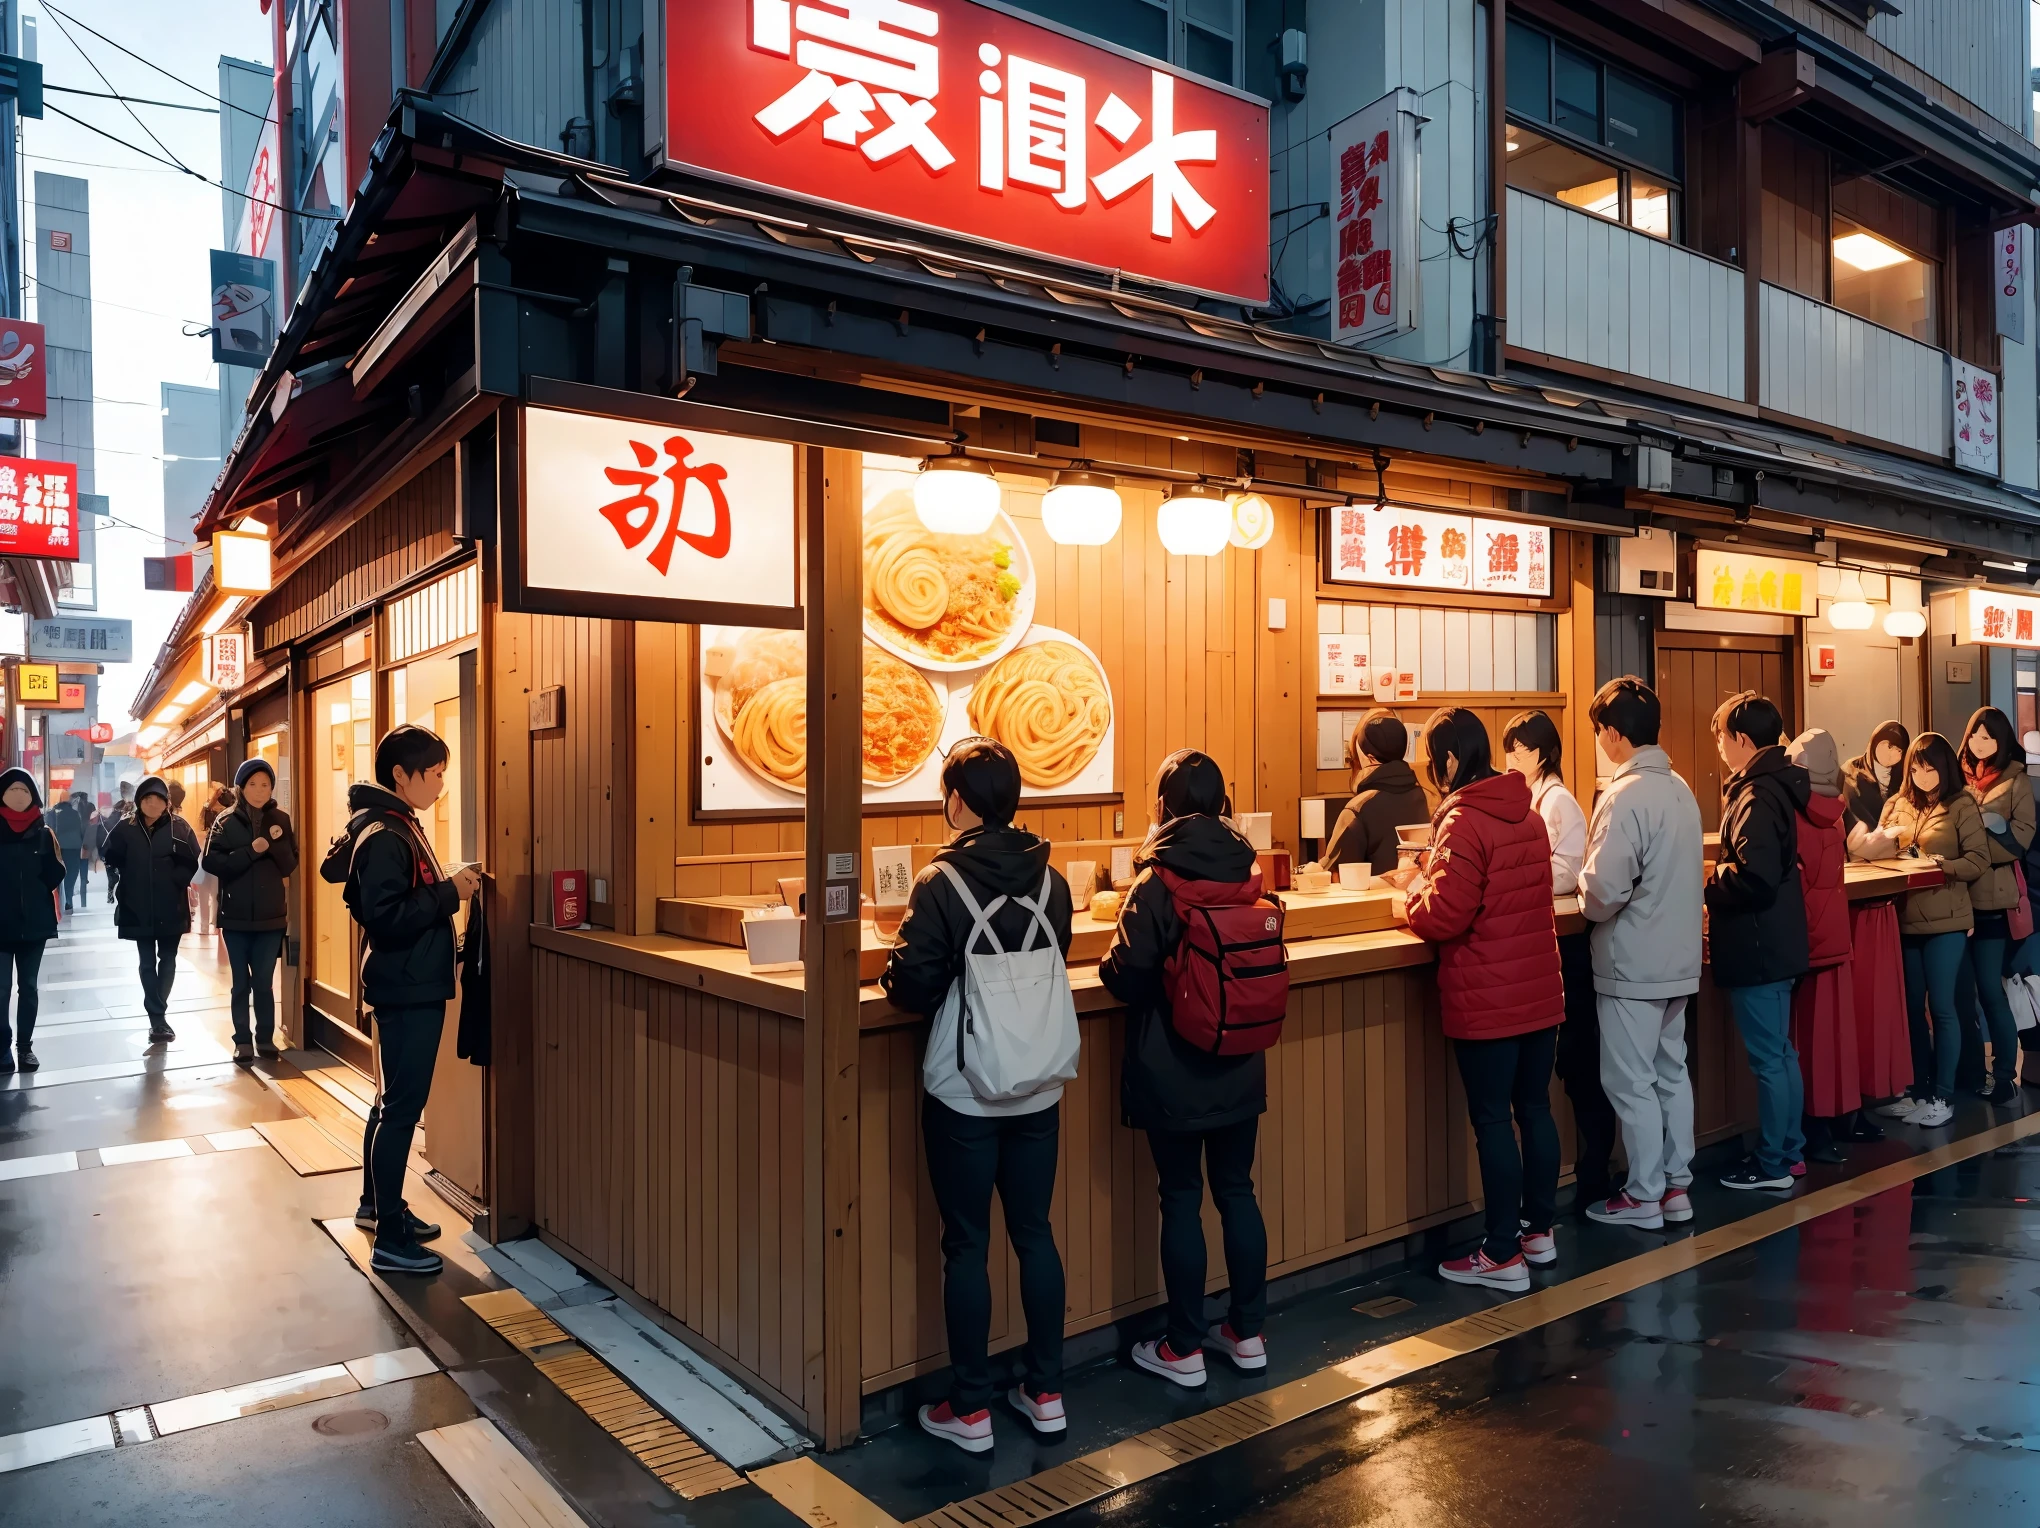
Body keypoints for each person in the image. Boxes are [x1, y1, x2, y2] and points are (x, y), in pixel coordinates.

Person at [881, 738, 1075, 1451]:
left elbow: (912, 985)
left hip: (964, 1088)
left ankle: (970, 1411)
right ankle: (1047, 1392)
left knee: (965, 1244)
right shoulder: (1052, 878)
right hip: (1039, 1083)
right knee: (1035, 1232)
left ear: (957, 800)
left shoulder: (940, 881)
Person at [1098, 750, 1273, 1384]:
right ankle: (1248, 1333)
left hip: (1173, 1063)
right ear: (1224, 803)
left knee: (1181, 1197)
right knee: (1236, 1190)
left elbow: (1124, 976)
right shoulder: (1249, 868)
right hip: (1240, 1056)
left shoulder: (1157, 880)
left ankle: (1185, 1347)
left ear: (1164, 806)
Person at [1397, 708, 1563, 1293]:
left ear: (1447, 760)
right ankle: (1537, 1234)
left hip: (1488, 996)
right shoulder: (1529, 815)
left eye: (1430, 764)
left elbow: (1445, 913)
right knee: (1534, 1110)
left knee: (1493, 1119)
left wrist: (1411, 898)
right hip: (1540, 991)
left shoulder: (1464, 821)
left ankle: (1500, 1254)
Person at [320, 724, 481, 1278]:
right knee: (401, 1110)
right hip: (406, 984)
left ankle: (378, 1206)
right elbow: (388, 918)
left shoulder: (393, 823)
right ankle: (390, 1237)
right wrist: (449, 894)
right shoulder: (388, 834)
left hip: (403, 981)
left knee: (391, 1104)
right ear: (401, 776)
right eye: (434, 773)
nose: (440, 782)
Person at [1576, 678, 1704, 1230]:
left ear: (1611, 732)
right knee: (1671, 1073)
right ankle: (1677, 1189)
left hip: (1633, 963)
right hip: (1678, 960)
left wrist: (1581, 890)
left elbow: (1603, 892)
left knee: (1630, 1082)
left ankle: (1644, 1195)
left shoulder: (1624, 795)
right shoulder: (1680, 788)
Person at [1502, 709, 1615, 1209]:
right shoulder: (1530, 798)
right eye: (1507, 749)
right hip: (1550, 942)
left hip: (1568, 945)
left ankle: (1595, 1169)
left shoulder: (1559, 802)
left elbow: (1567, 873)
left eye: (1519, 750)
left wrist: (1513, 873)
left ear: (1543, 753)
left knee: (1579, 1066)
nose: (1511, 759)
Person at [1706, 692, 1811, 1192]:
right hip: (1777, 941)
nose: (1720, 747)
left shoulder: (1755, 794)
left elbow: (1757, 877)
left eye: (1722, 738)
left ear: (1741, 740)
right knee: (1782, 1054)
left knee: (1771, 1058)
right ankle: (1789, 1154)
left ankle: (1773, 1162)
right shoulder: (1776, 785)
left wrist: (1711, 877)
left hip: (1759, 944)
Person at [1876, 731, 1988, 1129]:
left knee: (1942, 1008)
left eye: (1931, 767)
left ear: (1944, 768)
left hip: (1947, 921)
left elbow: (1978, 861)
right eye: (1917, 767)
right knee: (1908, 1009)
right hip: (1904, 919)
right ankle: (1917, 1090)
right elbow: (1876, 847)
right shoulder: (1896, 804)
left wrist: (1942, 865)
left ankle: (1943, 1095)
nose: (1924, 775)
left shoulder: (1961, 805)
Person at [1784, 729, 1860, 1164]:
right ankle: (1832, 1123)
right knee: (1830, 1039)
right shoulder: (1836, 812)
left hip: (1803, 940)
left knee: (1798, 1043)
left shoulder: (1794, 815)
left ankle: (1805, 1132)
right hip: (1835, 936)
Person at [1954, 707, 2033, 1105]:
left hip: (1993, 903)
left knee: (1990, 989)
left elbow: (2021, 840)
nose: (1979, 744)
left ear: (2002, 742)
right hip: (1954, 902)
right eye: (1975, 736)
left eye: (1988, 738)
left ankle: (2004, 1074)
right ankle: (1970, 1071)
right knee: (1957, 996)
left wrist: (1979, 841)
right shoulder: (1957, 779)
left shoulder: (2016, 781)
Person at [204, 760, 298, 1065]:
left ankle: (265, 1038)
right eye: (253, 784)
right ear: (241, 787)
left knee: (263, 982)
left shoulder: (281, 819)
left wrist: (274, 844)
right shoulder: (225, 821)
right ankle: (242, 1040)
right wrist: (250, 851)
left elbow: (289, 865)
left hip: (271, 917)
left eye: (265, 784)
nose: (259, 790)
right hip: (236, 916)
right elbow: (211, 862)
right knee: (240, 984)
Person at [102, 776, 201, 1043]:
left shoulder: (178, 827)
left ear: (166, 803)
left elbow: (192, 858)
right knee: (147, 962)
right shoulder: (126, 828)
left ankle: (158, 1013)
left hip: (171, 905)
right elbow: (108, 853)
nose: (153, 803)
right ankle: (158, 1019)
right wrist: (127, 875)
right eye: (147, 798)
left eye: (158, 798)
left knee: (168, 960)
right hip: (138, 906)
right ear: (139, 802)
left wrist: (174, 881)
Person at [0, 768, 65, 1073]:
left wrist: (37, 892)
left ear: (33, 797)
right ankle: (2, 1049)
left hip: (35, 924)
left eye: (24, 791)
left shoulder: (43, 832)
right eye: (12, 789)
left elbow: (56, 871)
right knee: (0, 990)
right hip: (1, 924)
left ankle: (24, 1048)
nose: (18, 795)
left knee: (28, 987)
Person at [1320, 708, 1432, 878]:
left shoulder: (1358, 808)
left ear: (1368, 757)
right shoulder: (1428, 797)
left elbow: (1334, 876)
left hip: (1374, 902)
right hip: (1418, 899)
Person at [1841, 721, 1910, 841]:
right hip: (1859, 842)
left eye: (1899, 750)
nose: (1892, 753)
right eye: (1889, 746)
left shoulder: (1905, 776)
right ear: (1875, 742)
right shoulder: (1851, 771)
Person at [192, 784, 236, 938]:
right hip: (214, 858)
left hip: (207, 858)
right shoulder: (224, 816)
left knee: (209, 892)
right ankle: (213, 925)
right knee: (214, 892)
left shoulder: (212, 812)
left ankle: (208, 925)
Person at [50, 791, 86, 915]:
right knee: (71, 873)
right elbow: (81, 830)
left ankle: (60, 900)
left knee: (60, 873)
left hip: (58, 847)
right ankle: (69, 899)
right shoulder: (75, 814)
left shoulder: (53, 813)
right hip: (74, 847)